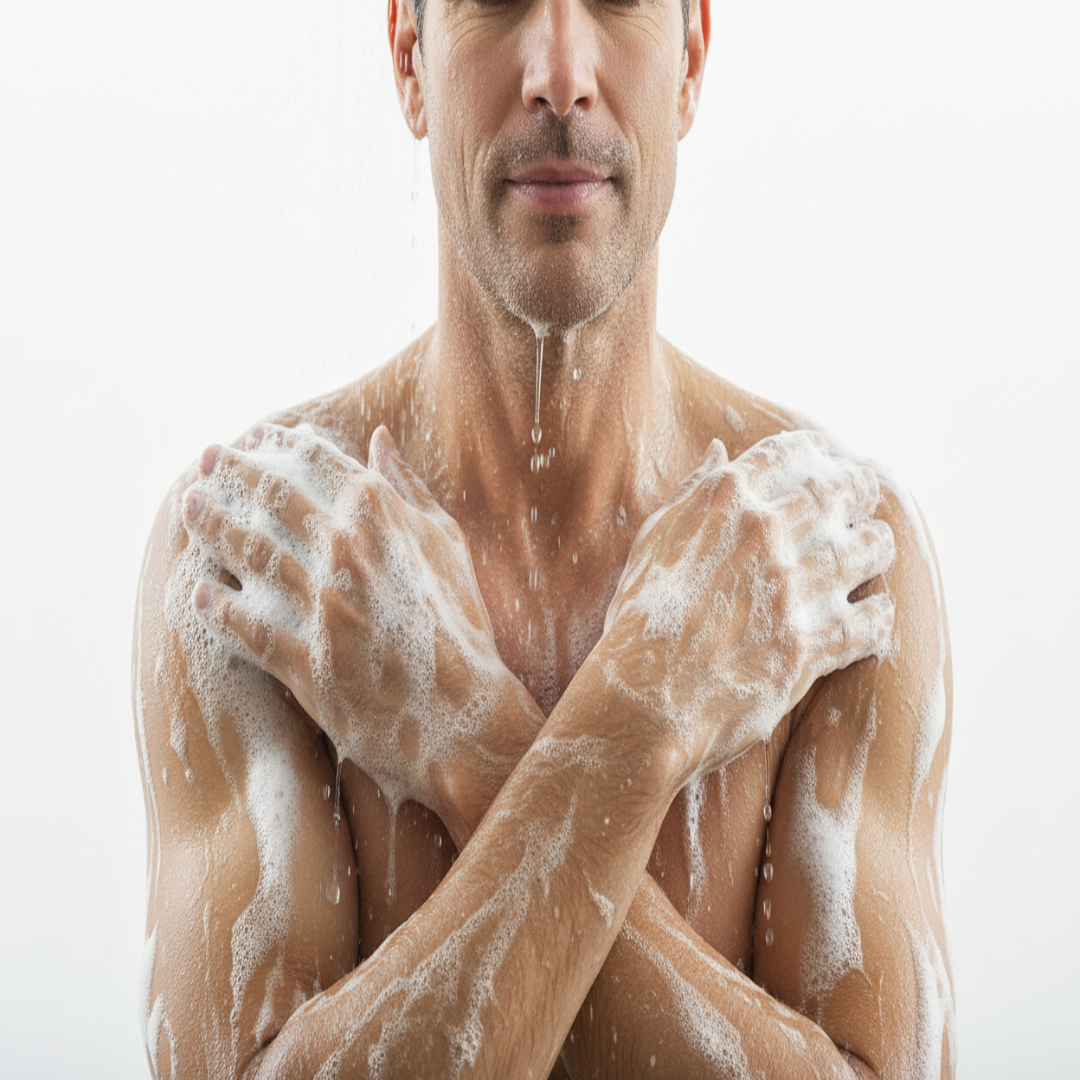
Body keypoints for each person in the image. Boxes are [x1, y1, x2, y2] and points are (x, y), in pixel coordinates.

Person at [132, 0, 954, 1076]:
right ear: (408, 59)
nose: (559, 73)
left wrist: (463, 729)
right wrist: (635, 723)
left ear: (693, 55)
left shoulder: (826, 559)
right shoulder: (267, 554)